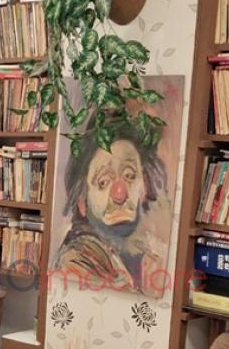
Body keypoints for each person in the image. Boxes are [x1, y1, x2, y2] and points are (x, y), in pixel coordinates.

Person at [54, 120, 168, 295]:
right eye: (103, 182)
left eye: (129, 175)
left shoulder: (149, 257)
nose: (119, 194)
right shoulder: (77, 260)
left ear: (144, 187)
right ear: (82, 201)